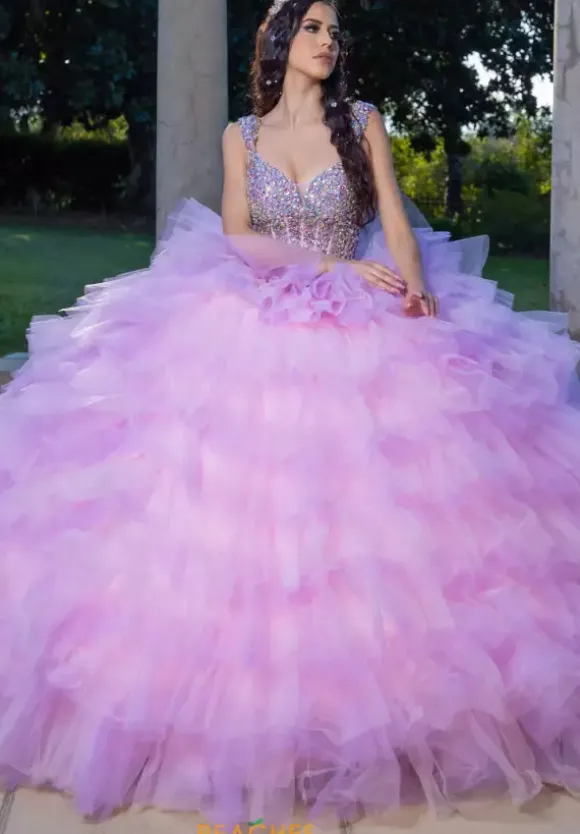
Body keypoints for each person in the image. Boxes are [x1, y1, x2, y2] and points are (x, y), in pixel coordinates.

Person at [1, 0, 580, 827]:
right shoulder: (241, 136)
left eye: (334, 31)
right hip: (264, 304)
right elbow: (238, 232)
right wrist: (326, 266)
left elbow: (391, 212)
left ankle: (374, 703)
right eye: (312, 27)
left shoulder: (363, 120)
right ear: (278, 41)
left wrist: (418, 293)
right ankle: (251, 714)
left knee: (397, 500)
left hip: (364, 310)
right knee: (240, 500)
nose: (327, 40)